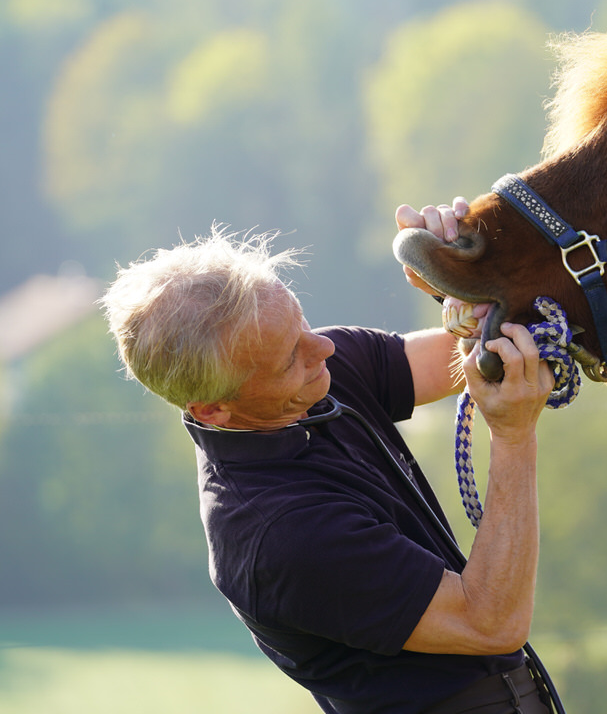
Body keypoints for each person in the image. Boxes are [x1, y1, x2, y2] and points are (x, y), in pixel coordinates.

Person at [99, 200, 557, 713]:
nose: (324, 348)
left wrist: (469, 276)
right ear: (215, 408)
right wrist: (514, 437)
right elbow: (491, 623)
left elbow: (467, 359)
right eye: (289, 358)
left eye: (303, 324)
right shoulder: (277, 535)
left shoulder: (313, 370)